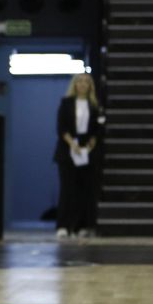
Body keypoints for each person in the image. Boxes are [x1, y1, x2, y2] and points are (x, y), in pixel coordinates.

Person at [55, 73, 103, 239]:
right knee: (67, 189)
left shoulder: (94, 106)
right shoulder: (66, 103)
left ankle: (82, 225)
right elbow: (61, 128)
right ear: (74, 85)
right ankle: (63, 225)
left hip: (87, 151)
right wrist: (72, 144)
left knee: (85, 190)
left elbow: (97, 129)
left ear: (90, 86)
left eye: (86, 82)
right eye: (80, 82)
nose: (82, 85)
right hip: (69, 149)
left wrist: (91, 142)